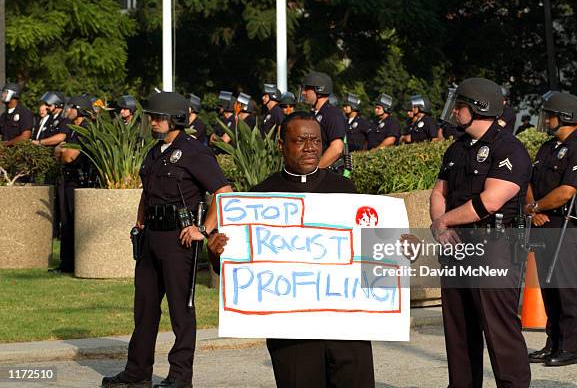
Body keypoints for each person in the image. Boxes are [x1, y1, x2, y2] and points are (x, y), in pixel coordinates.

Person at [203, 111, 375, 388]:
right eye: (300, 140)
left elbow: (368, 250)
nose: (311, 148)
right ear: (281, 144)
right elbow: (238, 266)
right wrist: (216, 252)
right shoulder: (260, 197)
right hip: (292, 334)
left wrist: (396, 248)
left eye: (316, 141)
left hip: (346, 329)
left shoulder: (345, 190)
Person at [102, 91, 232, 388]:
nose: (153, 121)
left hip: (179, 240)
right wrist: (139, 222)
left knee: (180, 312)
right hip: (151, 238)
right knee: (145, 309)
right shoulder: (155, 151)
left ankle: (179, 377)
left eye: (158, 117)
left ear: (176, 118)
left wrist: (205, 228)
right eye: (151, 116)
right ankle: (137, 373)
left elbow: (224, 190)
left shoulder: (193, 150)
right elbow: (147, 192)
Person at [432, 77, 532, 387]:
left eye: (459, 106)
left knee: (499, 329)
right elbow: (439, 191)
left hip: (494, 245)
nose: (454, 112)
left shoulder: (509, 149)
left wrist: (446, 221)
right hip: (457, 246)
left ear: (478, 108)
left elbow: (490, 200)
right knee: (459, 328)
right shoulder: (457, 148)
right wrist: (440, 227)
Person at [525, 91, 577, 367]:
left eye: (550, 115)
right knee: (548, 286)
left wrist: (537, 208)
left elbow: (567, 191)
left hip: (565, 225)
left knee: (564, 285)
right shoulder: (547, 148)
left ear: (565, 116)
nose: (546, 119)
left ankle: (569, 348)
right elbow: (528, 181)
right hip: (542, 222)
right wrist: (533, 209)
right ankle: (552, 342)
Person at [50, 95, 98, 273]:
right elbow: (59, 151)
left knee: (73, 222)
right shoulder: (72, 129)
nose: (68, 111)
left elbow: (69, 156)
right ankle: (66, 263)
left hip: (77, 181)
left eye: (72, 108)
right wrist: (61, 150)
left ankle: (75, 263)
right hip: (67, 179)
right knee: (65, 223)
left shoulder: (85, 129)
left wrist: (62, 151)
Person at [300, 72, 346, 169]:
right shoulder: (314, 114)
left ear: (319, 90)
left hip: (328, 175)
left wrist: (316, 169)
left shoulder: (333, 114)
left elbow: (337, 148)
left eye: (307, 89)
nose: (304, 92)